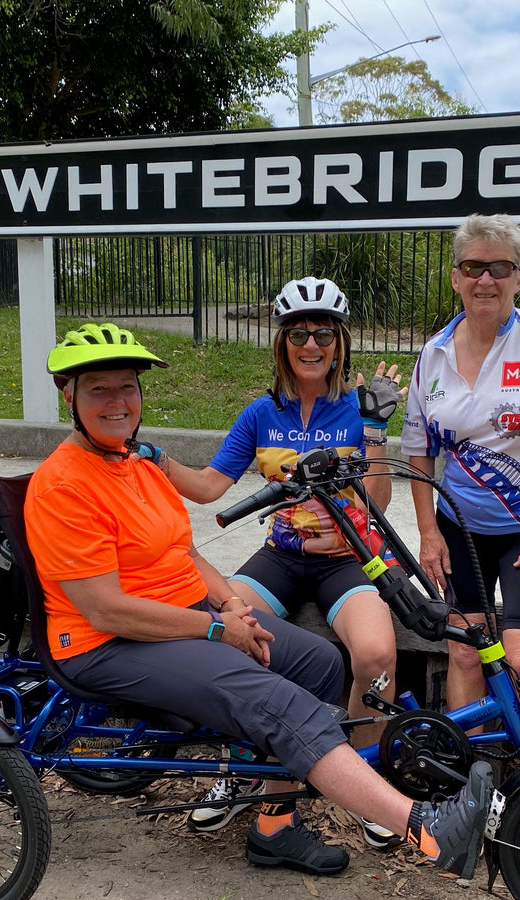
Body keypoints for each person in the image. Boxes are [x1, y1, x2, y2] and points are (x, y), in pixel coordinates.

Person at [24, 322, 492, 880]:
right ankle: (427, 830)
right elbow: (106, 609)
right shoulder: (64, 484)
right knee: (276, 701)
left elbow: (184, 552)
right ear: (68, 395)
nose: (118, 401)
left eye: (127, 386)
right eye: (99, 389)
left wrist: (228, 604)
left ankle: (273, 826)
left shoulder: (132, 463)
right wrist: (217, 631)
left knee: (320, 664)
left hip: (182, 617)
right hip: (108, 643)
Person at [159, 276, 406, 849]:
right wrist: (151, 456)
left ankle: (364, 777)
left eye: (323, 332)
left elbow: (379, 501)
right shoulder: (260, 412)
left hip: (350, 558)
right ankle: (239, 770)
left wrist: (373, 432)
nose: (310, 343)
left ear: (340, 341)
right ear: (282, 343)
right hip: (282, 555)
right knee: (227, 632)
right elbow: (209, 486)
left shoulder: (359, 405)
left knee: (375, 654)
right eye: (298, 333)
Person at [400, 214, 520, 709]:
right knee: (465, 656)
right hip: (458, 529)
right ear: (455, 277)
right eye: (473, 267)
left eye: (499, 268)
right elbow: (420, 450)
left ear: (519, 278)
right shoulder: (432, 355)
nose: (485, 279)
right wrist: (428, 531)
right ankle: (474, 778)